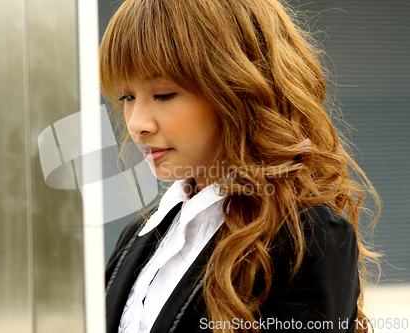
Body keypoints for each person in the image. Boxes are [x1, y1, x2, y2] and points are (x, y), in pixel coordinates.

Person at [99, 0, 380, 332]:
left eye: (163, 94)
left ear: (237, 88)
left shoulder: (307, 238)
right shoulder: (141, 236)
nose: (136, 124)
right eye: (127, 97)